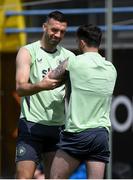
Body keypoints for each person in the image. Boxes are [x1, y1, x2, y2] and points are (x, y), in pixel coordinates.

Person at [48, 24, 117, 179]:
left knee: (55, 178)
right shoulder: (111, 68)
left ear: (81, 43)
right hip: (100, 135)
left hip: (76, 134)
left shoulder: (73, 63)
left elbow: (50, 78)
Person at [15, 10, 76, 179]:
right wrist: (41, 85)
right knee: (23, 177)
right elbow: (20, 87)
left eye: (62, 31)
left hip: (57, 128)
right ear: (44, 27)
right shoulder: (27, 51)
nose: (57, 35)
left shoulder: (69, 57)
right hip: (31, 125)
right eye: (54, 30)